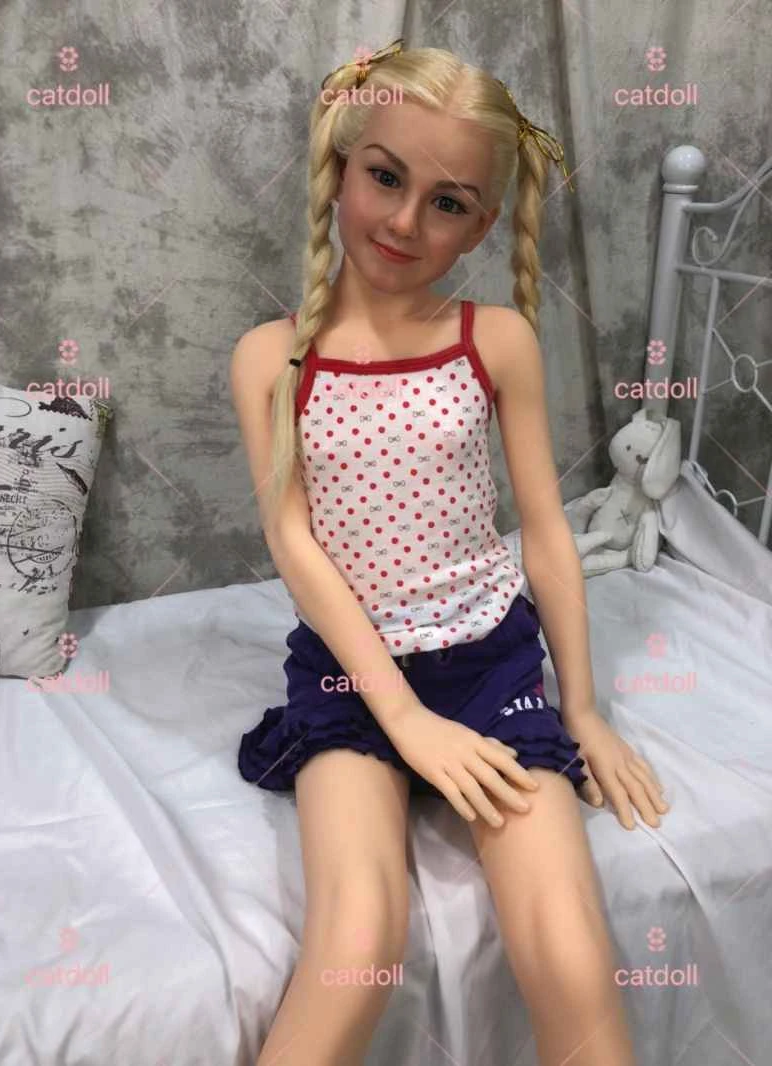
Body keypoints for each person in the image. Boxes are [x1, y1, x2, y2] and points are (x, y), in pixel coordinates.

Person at [230, 38, 669, 1066]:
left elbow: (546, 531)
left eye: (447, 202)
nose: (402, 222)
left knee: (568, 947)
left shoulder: (493, 340)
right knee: (357, 940)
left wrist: (581, 709)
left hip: (489, 666)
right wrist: (400, 717)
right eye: (385, 177)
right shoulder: (270, 358)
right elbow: (293, 541)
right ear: (341, 164)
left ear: (481, 224)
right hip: (352, 676)